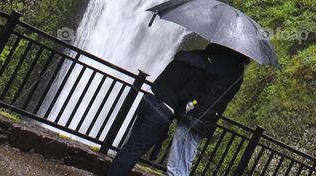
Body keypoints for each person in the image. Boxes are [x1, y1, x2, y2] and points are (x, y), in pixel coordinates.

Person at [106, 44, 248, 176]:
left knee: (130, 147)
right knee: (135, 152)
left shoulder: (185, 58)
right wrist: (184, 108)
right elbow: (186, 94)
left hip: (149, 98)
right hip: (164, 110)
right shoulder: (209, 69)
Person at [165, 44, 249, 176]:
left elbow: (201, 61)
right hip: (204, 119)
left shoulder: (226, 63)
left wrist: (180, 54)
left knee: (176, 165)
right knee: (184, 160)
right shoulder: (237, 69)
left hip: (196, 116)